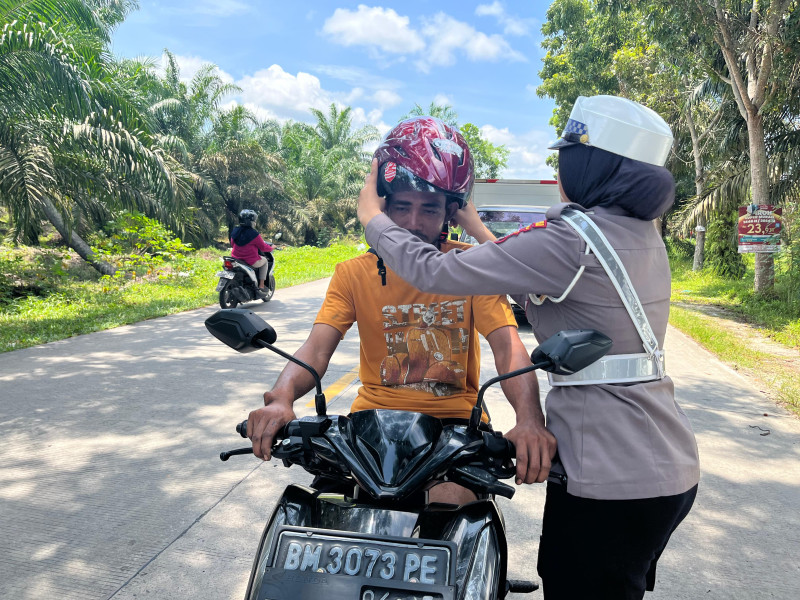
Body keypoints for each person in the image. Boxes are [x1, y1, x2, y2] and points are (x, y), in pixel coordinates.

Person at [357, 96, 700, 598]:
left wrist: (372, 213)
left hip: (609, 473)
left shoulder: (569, 241)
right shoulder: (634, 232)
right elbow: (529, 276)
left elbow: (434, 271)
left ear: (589, 165)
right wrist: (475, 226)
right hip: (662, 467)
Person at [246, 116, 556, 505]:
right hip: (371, 433)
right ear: (381, 208)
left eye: (429, 209)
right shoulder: (352, 274)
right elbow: (316, 349)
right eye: (401, 207)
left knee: (450, 506)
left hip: (455, 430)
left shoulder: (472, 270)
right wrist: (281, 396)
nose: (413, 223)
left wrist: (529, 419)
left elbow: (510, 350)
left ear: (450, 214)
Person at [230, 209, 274, 298]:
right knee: (265, 261)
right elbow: (263, 247)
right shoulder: (254, 234)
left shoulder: (235, 230)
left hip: (236, 258)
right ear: (252, 221)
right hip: (250, 261)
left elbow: (232, 243)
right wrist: (272, 247)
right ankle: (261, 285)